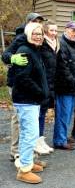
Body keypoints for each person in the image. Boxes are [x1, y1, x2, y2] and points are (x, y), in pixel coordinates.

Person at [1, 13, 45, 161]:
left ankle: (30, 153)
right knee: (19, 119)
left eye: (40, 22)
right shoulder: (21, 38)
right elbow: (5, 55)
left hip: (31, 84)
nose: (37, 23)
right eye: (34, 21)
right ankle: (16, 151)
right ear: (28, 23)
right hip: (17, 83)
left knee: (29, 123)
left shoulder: (39, 41)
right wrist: (12, 58)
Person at [12, 23, 48, 184]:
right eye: (34, 33)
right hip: (26, 100)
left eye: (40, 33)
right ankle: (24, 170)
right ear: (27, 34)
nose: (38, 36)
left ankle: (26, 162)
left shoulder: (35, 50)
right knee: (30, 135)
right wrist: (39, 92)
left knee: (28, 134)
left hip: (31, 100)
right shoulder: (25, 51)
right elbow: (22, 78)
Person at [53, 22, 75, 150]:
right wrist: (74, 82)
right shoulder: (62, 44)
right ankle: (60, 141)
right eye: (73, 31)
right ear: (66, 30)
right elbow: (63, 68)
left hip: (72, 87)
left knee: (68, 114)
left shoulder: (73, 45)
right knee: (63, 115)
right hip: (65, 87)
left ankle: (63, 136)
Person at [35, 21, 59, 154]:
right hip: (42, 83)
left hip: (51, 83)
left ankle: (40, 140)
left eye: (56, 31)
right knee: (38, 115)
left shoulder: (56, 44)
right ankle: (35, 142)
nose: (54, 33)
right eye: (52, 30)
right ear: (45, 31)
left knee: (43, 114)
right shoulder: (42, 45)